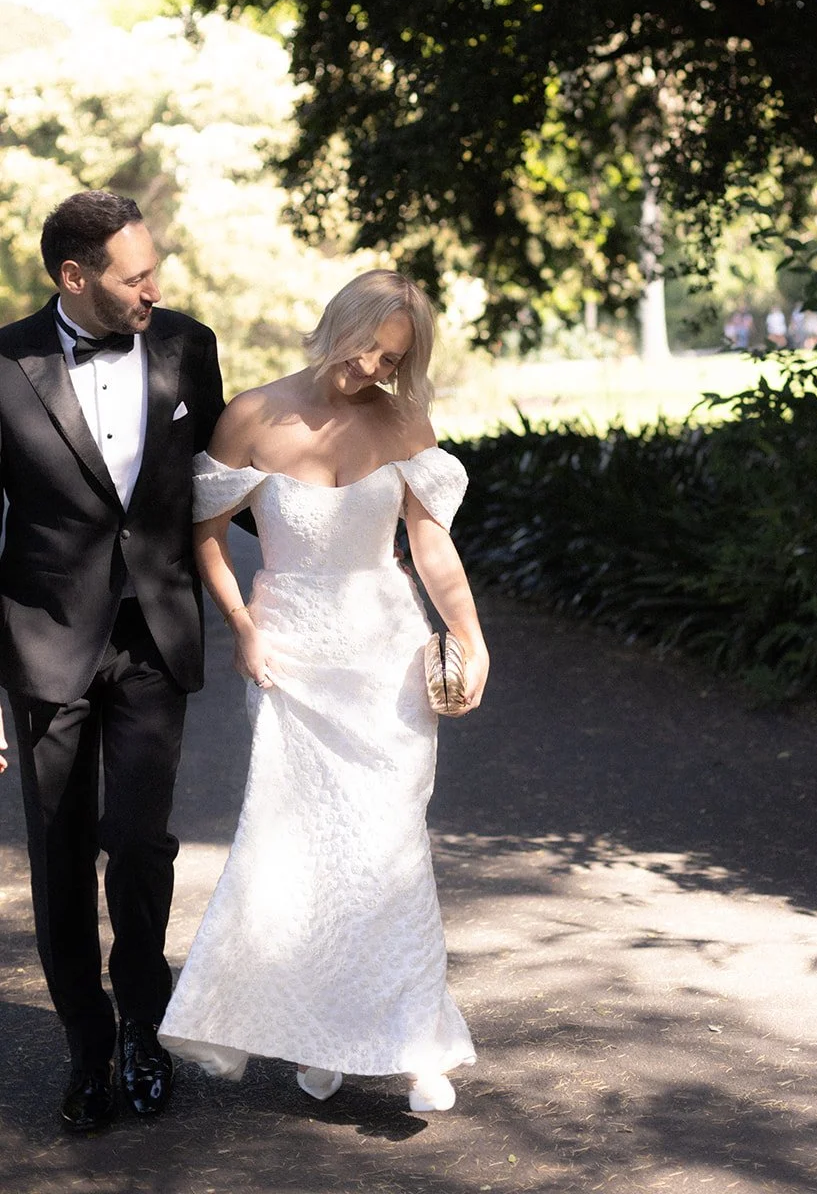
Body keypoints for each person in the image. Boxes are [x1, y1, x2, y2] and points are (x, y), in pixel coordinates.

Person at [159, 270, 490, 1115]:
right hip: (290, 657)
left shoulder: (402, 418)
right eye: (366, 347)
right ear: (332, 324)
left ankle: (417, 1045)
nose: (372, 369)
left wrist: (469, 636)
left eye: (392, 359)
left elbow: (431, 546)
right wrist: (243, 625)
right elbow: (202, 539)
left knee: (388, 846)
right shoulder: (251, 418)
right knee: (299, 852)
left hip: (386, 656)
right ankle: (316, 1031)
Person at [0, 190, 229, 1132]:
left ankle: (144, 1025)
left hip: (152, 638)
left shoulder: (188, 346)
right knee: (57, 858)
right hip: (43, 642)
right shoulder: (5, 363)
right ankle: (87, 1050)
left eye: (154, 269)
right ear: (74, 276)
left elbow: (225, 481)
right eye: (135, 277)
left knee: (138, 842)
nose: (153, 288)